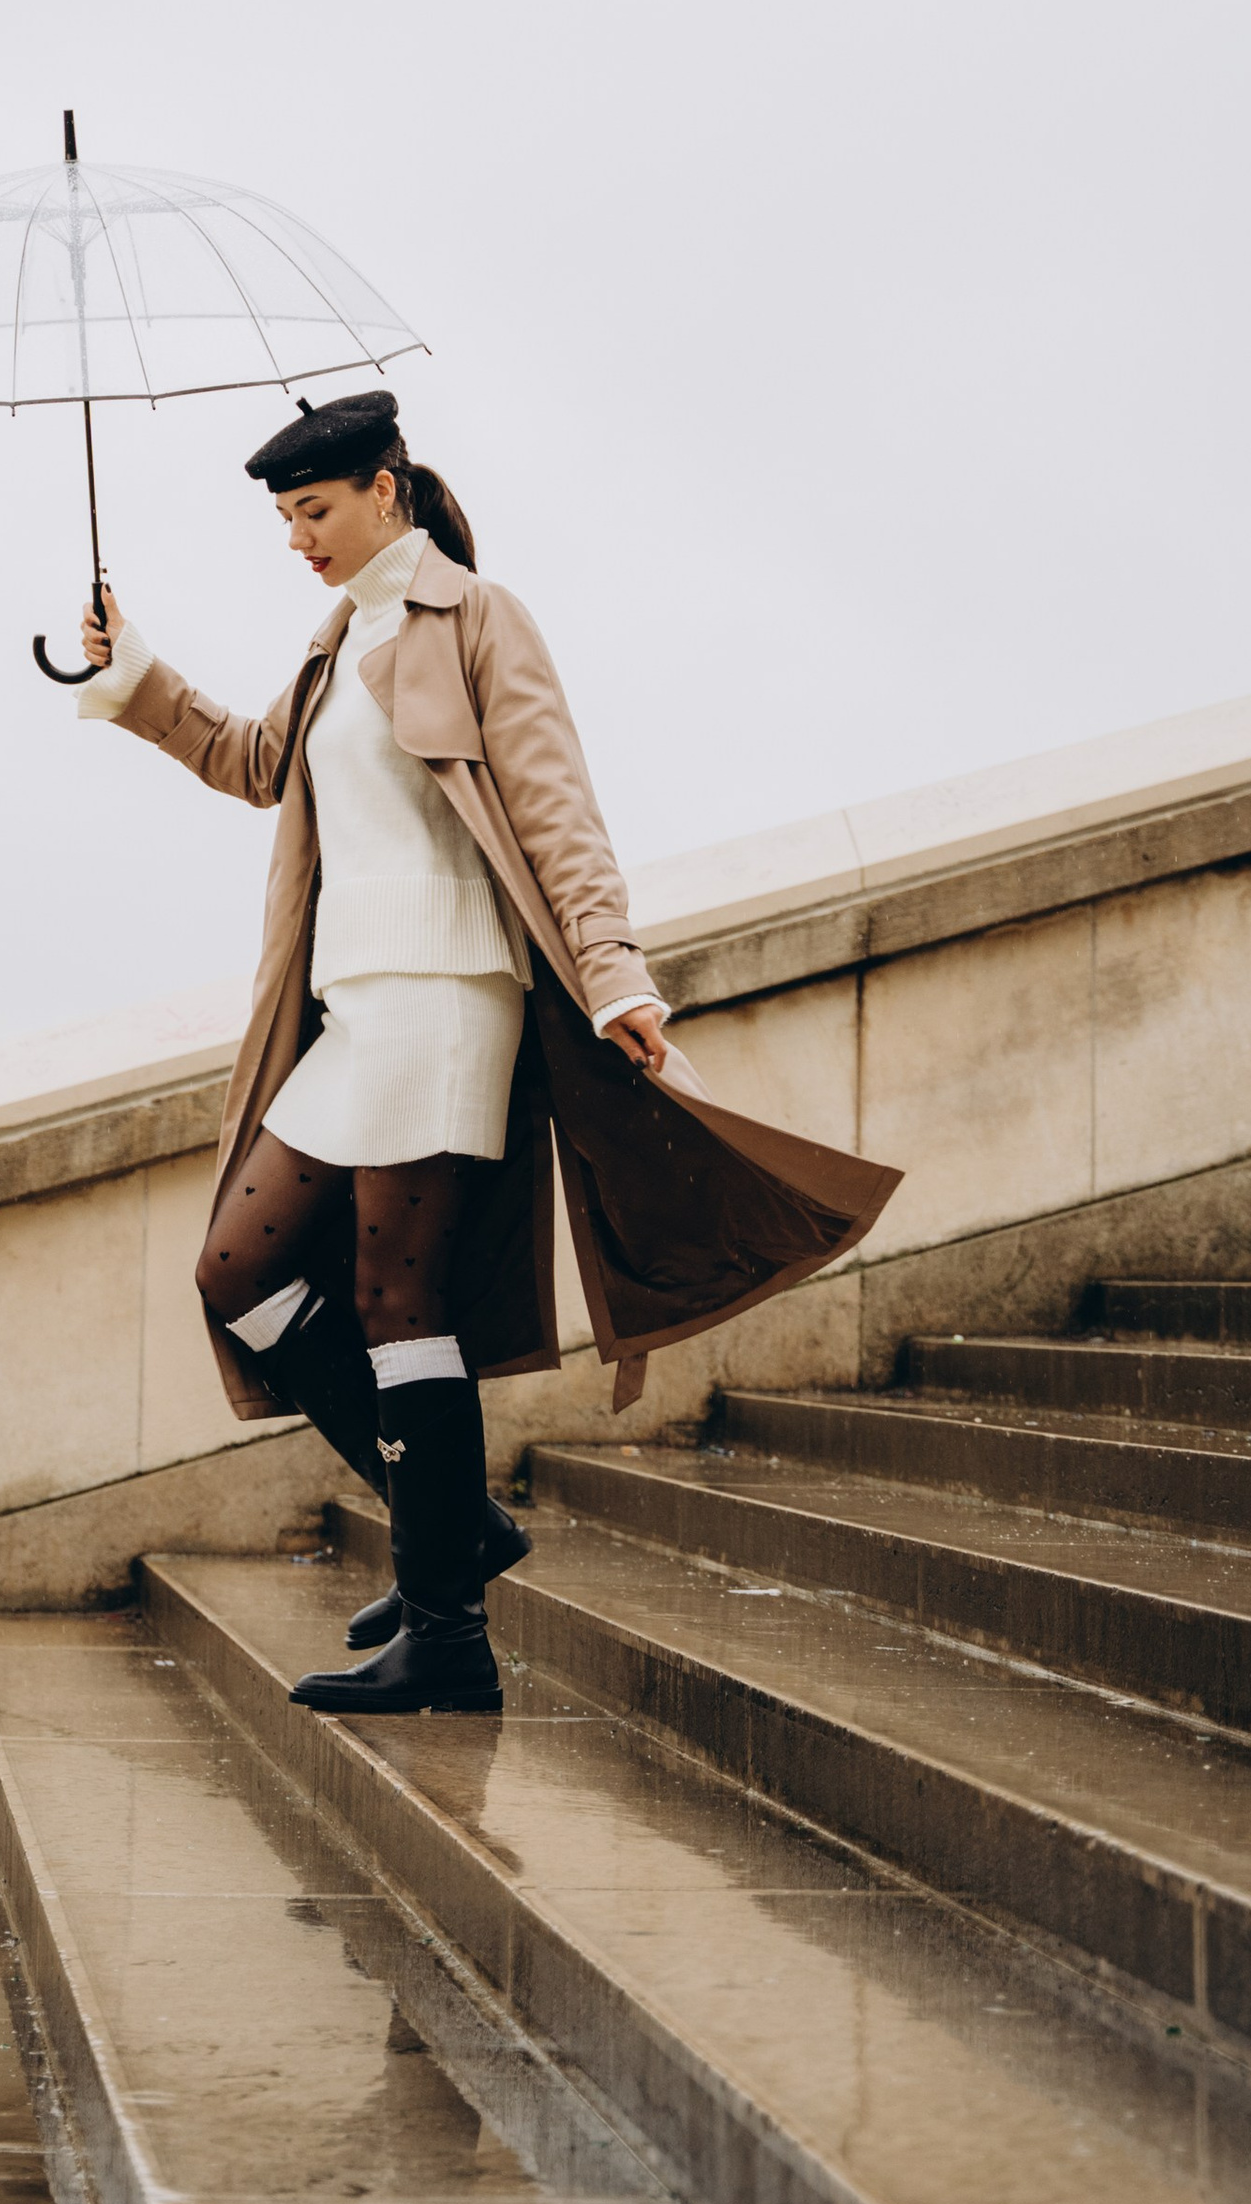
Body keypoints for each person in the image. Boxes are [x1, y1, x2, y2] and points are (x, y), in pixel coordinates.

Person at [74, 387, 897, 1717]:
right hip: (355, 1014)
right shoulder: (340, 640)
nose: (300, 540)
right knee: (237, 1271)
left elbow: (557, 808)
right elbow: (249, 761)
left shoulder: (476, 620)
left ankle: (447, 1628)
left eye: (317, 512)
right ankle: (445, 1523)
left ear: (384, 491)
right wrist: (134, 672)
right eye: (286, 520)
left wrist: (616, 972)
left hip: (451, 999)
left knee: (401, 1302)